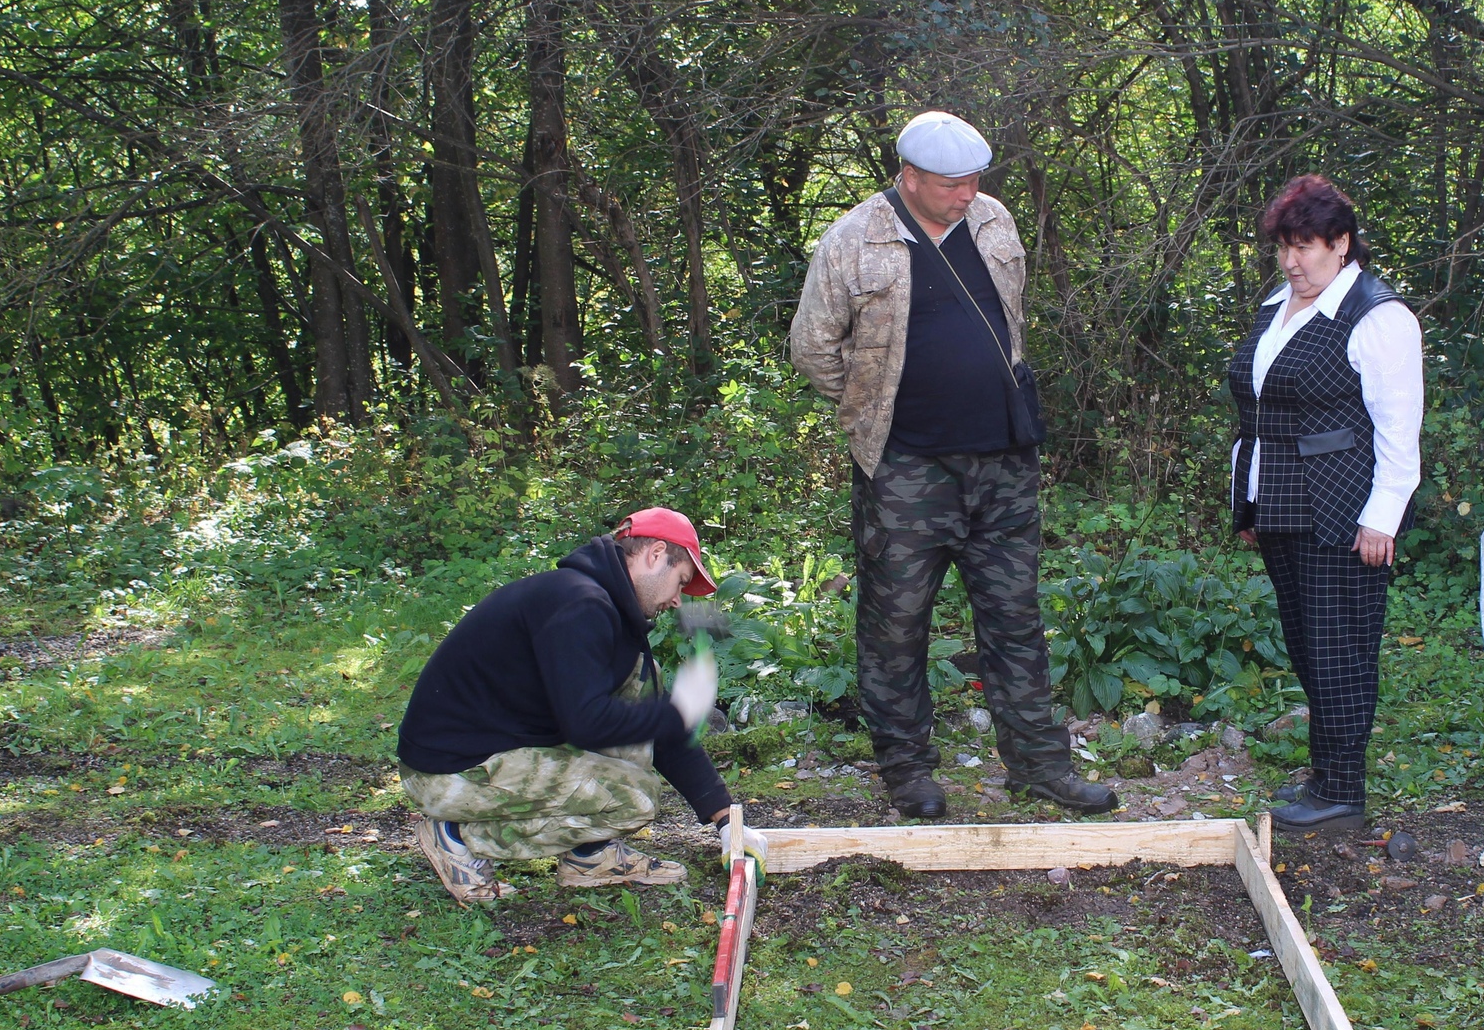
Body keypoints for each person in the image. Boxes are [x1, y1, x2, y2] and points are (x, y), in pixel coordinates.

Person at [790, 110, 1115, 820]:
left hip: (1004, 462)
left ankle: (1039, 765)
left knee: (1015, 618)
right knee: (895, 621)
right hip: (907, 468)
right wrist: (876, 405)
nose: (968, 193)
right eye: (952, 183)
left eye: (974, 180)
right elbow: (813, 347)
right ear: (909, 177)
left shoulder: (995, 222)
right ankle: (908, 771)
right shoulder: (853, 240)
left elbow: (1014, 318)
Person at [395, 508, 731, 903]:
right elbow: (586, 724)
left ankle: (592, 857)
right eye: (681, 582)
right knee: (634, 797)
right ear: (656, 554)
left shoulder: (607, 612)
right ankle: (454, 834)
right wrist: (680, 710)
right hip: (449, 771)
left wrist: (725, 818)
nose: (677, 601)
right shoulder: (579, 604)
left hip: (498, 745)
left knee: (642, 682)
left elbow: (660, 730)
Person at [1228, 175, 1423, 830]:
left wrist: (1382, 517)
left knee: (1340, 646)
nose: (1291, 261)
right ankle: (1325, 776)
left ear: (1341, 243)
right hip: (1282, 506)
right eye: (1283, 246)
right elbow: (1260, 409)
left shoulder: (1378, 315)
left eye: (1305, 246)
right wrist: (1250, 502)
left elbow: (1399, 428)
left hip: (1344, 510)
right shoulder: (1278, 304)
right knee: (1309, 646)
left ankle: (1342, 791)